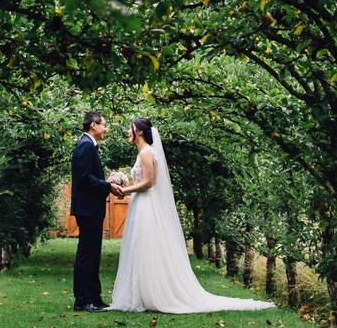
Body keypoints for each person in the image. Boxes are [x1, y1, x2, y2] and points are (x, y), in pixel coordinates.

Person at [108, 118, 275, 313]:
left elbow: (148, 183)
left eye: (130, 128)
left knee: (146, 246)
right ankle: (140, 293)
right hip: (141, 203)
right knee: (139, 247)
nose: (128, 132)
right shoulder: (142, 153)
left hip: (146, 204)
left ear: (139, 132)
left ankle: (152, 294)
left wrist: (124, 191)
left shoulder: (146, 152)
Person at [70, 111, 123, 312]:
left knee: (93, 254)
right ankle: (83, 300)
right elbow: (85, 179)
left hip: (90, 207)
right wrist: (107, 186)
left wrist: (105, 182)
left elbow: (89, 176)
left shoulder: (88, 145)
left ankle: (94, 297)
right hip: (88, 208)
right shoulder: (85, 145)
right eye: (103, 124)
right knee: (87, 254)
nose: (105, 128)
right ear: (93, 125)